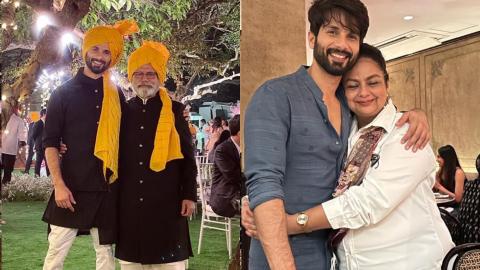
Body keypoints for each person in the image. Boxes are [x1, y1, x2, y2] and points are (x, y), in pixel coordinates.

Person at [243, 1, 431, 269]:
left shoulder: (349, 105)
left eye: (351, 36)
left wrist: (416, 113)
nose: (342, 44)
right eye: (332, 31)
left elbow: (381, 120)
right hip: (281, 256)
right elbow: (264, 182)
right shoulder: (275, 96)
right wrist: (255, 207)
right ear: (311, 37)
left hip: (333, 257)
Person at [42, 20, 138, 270]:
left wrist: (177, 111)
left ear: (113, 57)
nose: (100, 56)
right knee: (55, 257)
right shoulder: (62, 94)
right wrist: (59, 186)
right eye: (96, 49)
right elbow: (50, 142)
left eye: (107, 51)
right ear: (85, 50)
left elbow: (134, 127)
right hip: (70, 190)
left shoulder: (116, 95)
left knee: (105, 257)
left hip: (106, 188)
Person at [115, 41, 197, 270]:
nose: (144, 78)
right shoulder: (122, 111)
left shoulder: (174, 111)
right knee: (131, 264)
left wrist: (189, 195)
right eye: (138, 73)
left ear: (159, 77)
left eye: (150, 73)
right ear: (131, 78)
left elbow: (188, 159)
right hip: (130, 206)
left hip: (167, 204)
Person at [210, 114, 242, 218]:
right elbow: (233, 176)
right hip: (225, 198)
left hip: (240, 195)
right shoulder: (222, 150)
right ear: (240, 133)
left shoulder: (246, 148)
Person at [1, 104, 26, 184]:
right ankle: (6, 184)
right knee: (8, 169)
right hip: (9, 148)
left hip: (4, 147)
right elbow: (21, 133)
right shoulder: (18, 120)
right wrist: (22, 142)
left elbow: (21, 133)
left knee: (6, 167)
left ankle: (5, 183)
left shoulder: (5, 118)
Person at [31, 108, 49, 177]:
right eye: (47, 114)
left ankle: (49, 176)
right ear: (44, 114)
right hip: (39, 146)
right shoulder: (37, 123)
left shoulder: (48, 123)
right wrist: (37, 143)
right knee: (38, 161)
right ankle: (36, 175)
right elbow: (33, 135)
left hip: (46, 145)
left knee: (48, 162)